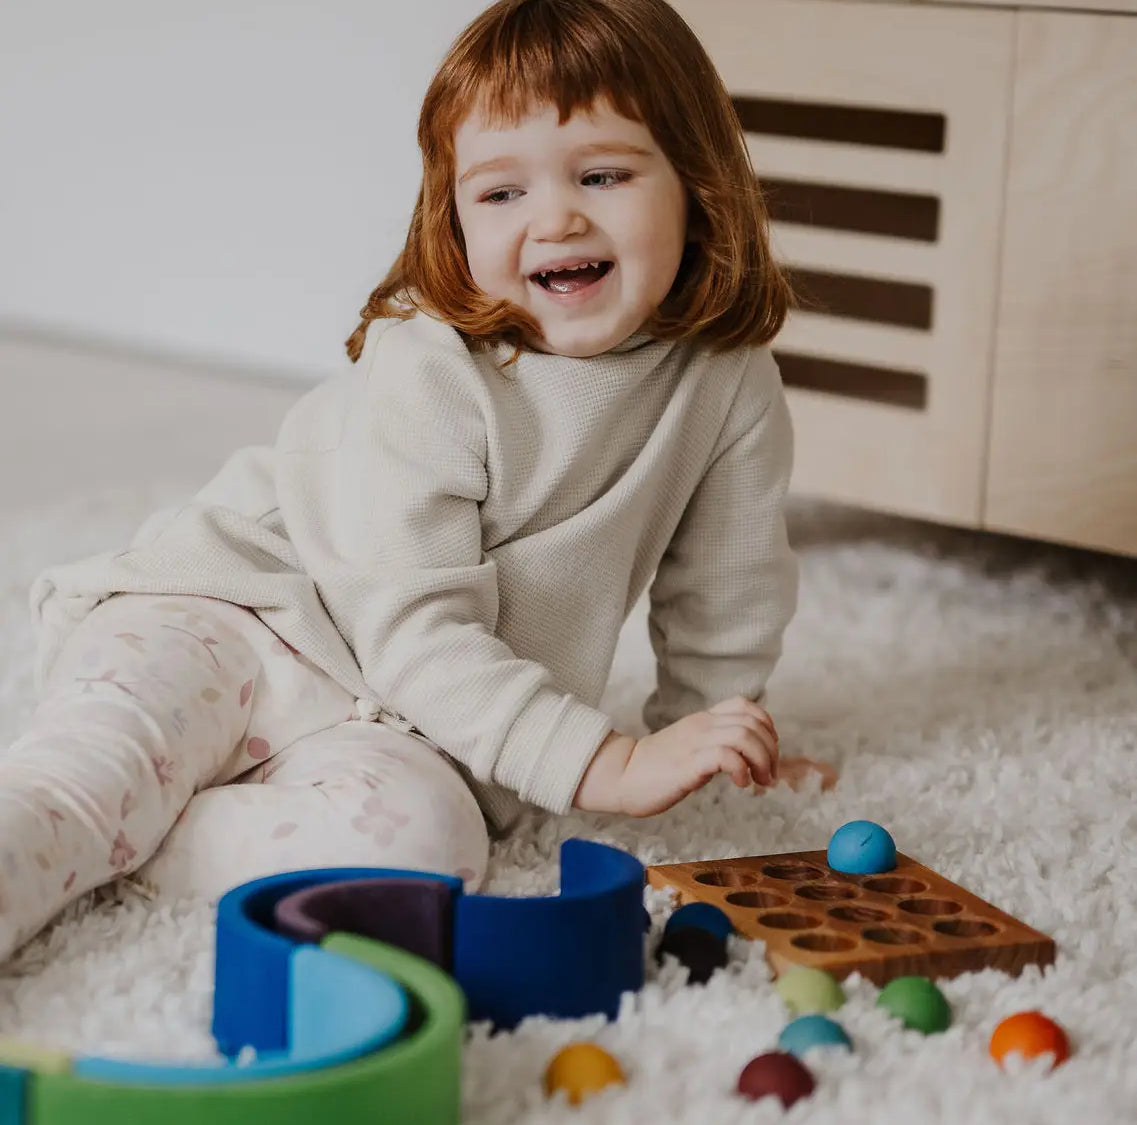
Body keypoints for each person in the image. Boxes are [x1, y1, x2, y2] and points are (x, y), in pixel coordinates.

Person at [0, 0, 833, 966]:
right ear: (453, 212)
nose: (555, 217)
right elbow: (411, 623)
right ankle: (90, 814)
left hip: (415, 720)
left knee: (429, 853)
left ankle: (139, 830)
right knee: (85, 781)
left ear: (697, 182)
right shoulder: (430, 362)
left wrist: (710, 741)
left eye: (601, 175)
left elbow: (726, 586)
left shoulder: (726, 379)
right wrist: (607, 765)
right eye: (500, 193)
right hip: (234, 608)